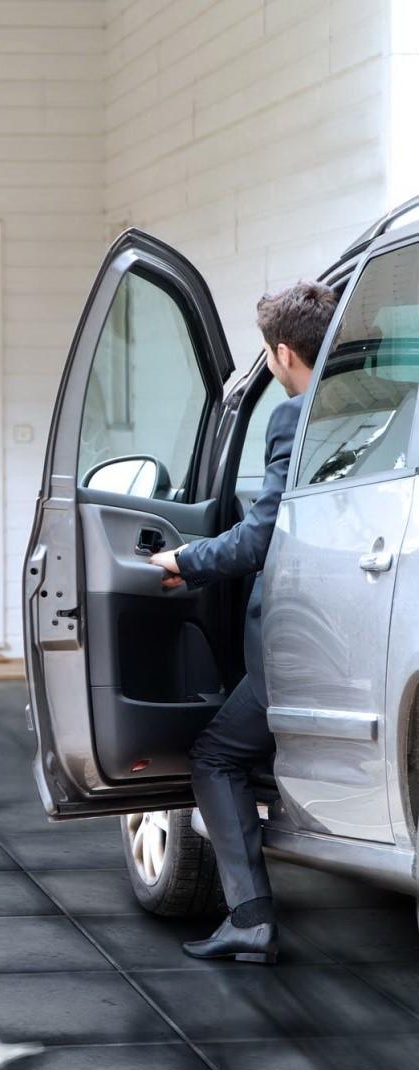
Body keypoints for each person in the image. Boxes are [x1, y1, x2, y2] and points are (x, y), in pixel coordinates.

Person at [150, 281, 338, 964]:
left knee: (216, 755)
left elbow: (262, 536)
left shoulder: (296, 415)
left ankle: (251, 919)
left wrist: (185, 558)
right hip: (352, 634)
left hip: (295, 636)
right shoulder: (380, 408)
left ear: (284, 353)